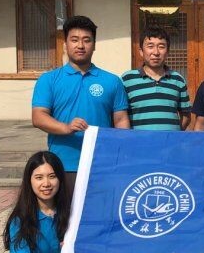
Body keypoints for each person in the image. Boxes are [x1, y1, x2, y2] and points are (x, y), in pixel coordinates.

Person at [31, 15, 130, 193]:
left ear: (94, 45)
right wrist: (66, 127)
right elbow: (38, 117)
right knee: (65, 211)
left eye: (86, 40)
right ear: (65, 44)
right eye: (74, 40)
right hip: (62, 165)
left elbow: (121, 120)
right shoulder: (49, 80)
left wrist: (120, 154)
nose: (80, 45)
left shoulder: (112, 81)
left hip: (102, 164)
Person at [122, 26, 191, 131]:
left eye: (161, 47)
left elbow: (185, 116)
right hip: (139, 141)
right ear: (141, 51)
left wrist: (172, 134)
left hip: (169, 141)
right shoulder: (127, 80)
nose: (156, 52)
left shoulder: (178, 80)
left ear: (167, 51)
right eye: (150, 46)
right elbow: (120, 116)